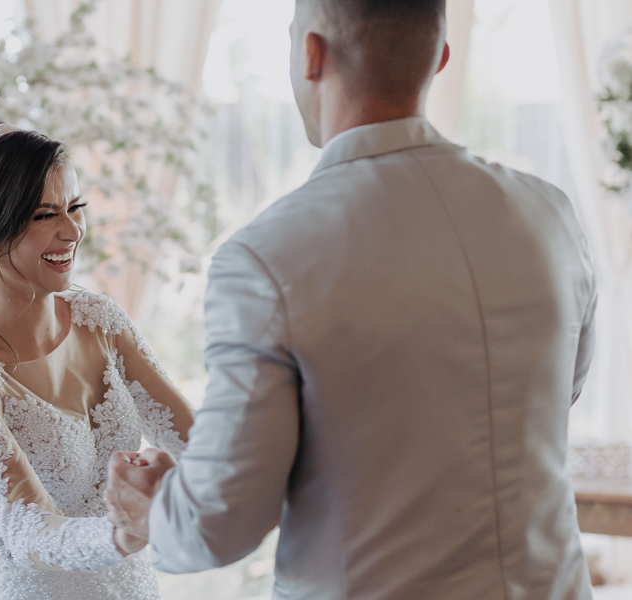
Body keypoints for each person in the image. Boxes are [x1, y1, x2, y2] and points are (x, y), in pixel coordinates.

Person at [105, 0, 598, 598]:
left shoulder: (267, 257)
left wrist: (150, 512)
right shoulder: (550, 213)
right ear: (439, 58)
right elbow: (555, 391)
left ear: (311, 53)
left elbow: (220, 522)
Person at [0, 121, 193, 600]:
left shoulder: (101, 322)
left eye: (75, 208)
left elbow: (198, 443)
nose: (71, 231)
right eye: (44, 215)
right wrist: (127, 530)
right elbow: (30, 533)